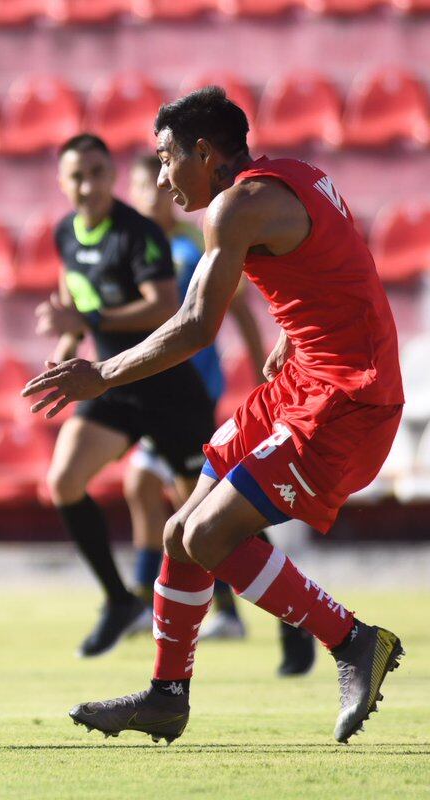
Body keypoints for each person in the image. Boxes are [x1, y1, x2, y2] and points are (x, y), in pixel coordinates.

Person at [24, 88, 404, 744]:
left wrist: (100, 375)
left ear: (204, 152)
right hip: (299, 384)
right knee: (180, 533)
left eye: (167, 158)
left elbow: (197, 325)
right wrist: (295, 329)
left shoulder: (234, 208)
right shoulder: (294, 178)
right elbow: (336, 260)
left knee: (207, 538)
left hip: (344, 403)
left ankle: (354, 641)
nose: (163, 176)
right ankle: (168, 697)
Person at [124, 154, 317, 676]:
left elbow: (226, 309)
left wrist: (260, 367)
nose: (156, 192)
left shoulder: (194, 244)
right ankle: (162, 604)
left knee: (207, 514)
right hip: (146, 398)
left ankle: (287, 616)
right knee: (152, 491)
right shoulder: (132, 249)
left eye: (161, 182)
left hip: (191, 394)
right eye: (145, 184)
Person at [36, 134, 217, 658]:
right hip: (110, 381)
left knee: (208, 519)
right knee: (64, 480)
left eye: (97, 172)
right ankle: (120, 601)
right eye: (76, 175)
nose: (87, 184)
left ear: (112, 176)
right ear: (61, 181)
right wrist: (68, 347)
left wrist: (87, 322)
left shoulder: (138, 233)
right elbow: (74, 297)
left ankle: (291, 622)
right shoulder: (64, 234)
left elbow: (163, 307)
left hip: (166, 385)